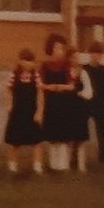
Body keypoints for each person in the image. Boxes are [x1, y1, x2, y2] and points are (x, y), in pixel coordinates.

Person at [4, 49, 45, 175]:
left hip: (31, 111)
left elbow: (40, 93)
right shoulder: (14, 75)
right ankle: (13, 165)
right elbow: (8, 90)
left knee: (36, 141)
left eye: (31, 61)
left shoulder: (36, 76)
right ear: (20, 61)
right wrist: (9, 105)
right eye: (26, 61)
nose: (28, 64)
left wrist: (39, 111)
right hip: (17, 111)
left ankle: (37, 166)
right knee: (14, 141)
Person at [40, 34, 74, 171]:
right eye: (57, 47)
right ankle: (53, 163)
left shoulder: (67, 66)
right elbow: (40, 84)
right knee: (53, 134)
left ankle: (63, 163)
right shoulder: (45, 66)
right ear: (51, 49)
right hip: (51, 103)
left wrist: (60, 87)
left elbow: (71, 85)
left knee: (63, 133)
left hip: (64, 103)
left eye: (62, 48)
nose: (60, 50)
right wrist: (51, 87)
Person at [67, 47, 93, 173]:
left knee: (81, 138)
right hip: (68, 108)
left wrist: (79, 93)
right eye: (73, 57)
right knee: (70, 138)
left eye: (77, 57)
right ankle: (67, 163)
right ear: (69, 58)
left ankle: (81, 165)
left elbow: (89, 92)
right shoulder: (65, 72)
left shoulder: (83, 72)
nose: (75, 59)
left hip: (80, 108)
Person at [84, 42, 104, 163]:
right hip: (86, 104)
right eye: (94, 53)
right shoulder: (85, 69)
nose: (96, 56)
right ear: (90, 54)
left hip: (99, 104)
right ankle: (76, 154)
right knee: (80, 128)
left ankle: (103, 153)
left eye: (99, 54)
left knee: (101, 130)